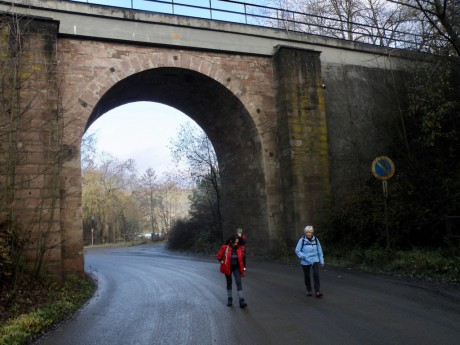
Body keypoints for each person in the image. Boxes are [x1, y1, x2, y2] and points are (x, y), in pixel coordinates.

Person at [216, 235, 248, 308]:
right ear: (231, 241)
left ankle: (241, 300)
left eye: (237, 242)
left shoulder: (239, 247)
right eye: (235, 243)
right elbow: (219, 256)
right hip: (228, 267)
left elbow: (243, 241)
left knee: (238, 282)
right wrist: (222, 262)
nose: (236, 244)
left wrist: (240, 236)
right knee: (229, 282)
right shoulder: (225, 247)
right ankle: (229, 299)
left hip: (236, 267)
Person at [295, 225, 324, 298]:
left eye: (310, 232)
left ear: (312, 233)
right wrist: (303, 256)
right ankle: (309, 290)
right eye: (307, 232)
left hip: (315, 260)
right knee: (307, 276)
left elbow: (320, 251)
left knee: (316, 275)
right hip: (305, 261)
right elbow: (297, 250)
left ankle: (317, 291)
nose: (308, 234)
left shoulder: (316, 240)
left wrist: (321, 261)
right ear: (305, 233)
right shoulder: (302, 240)